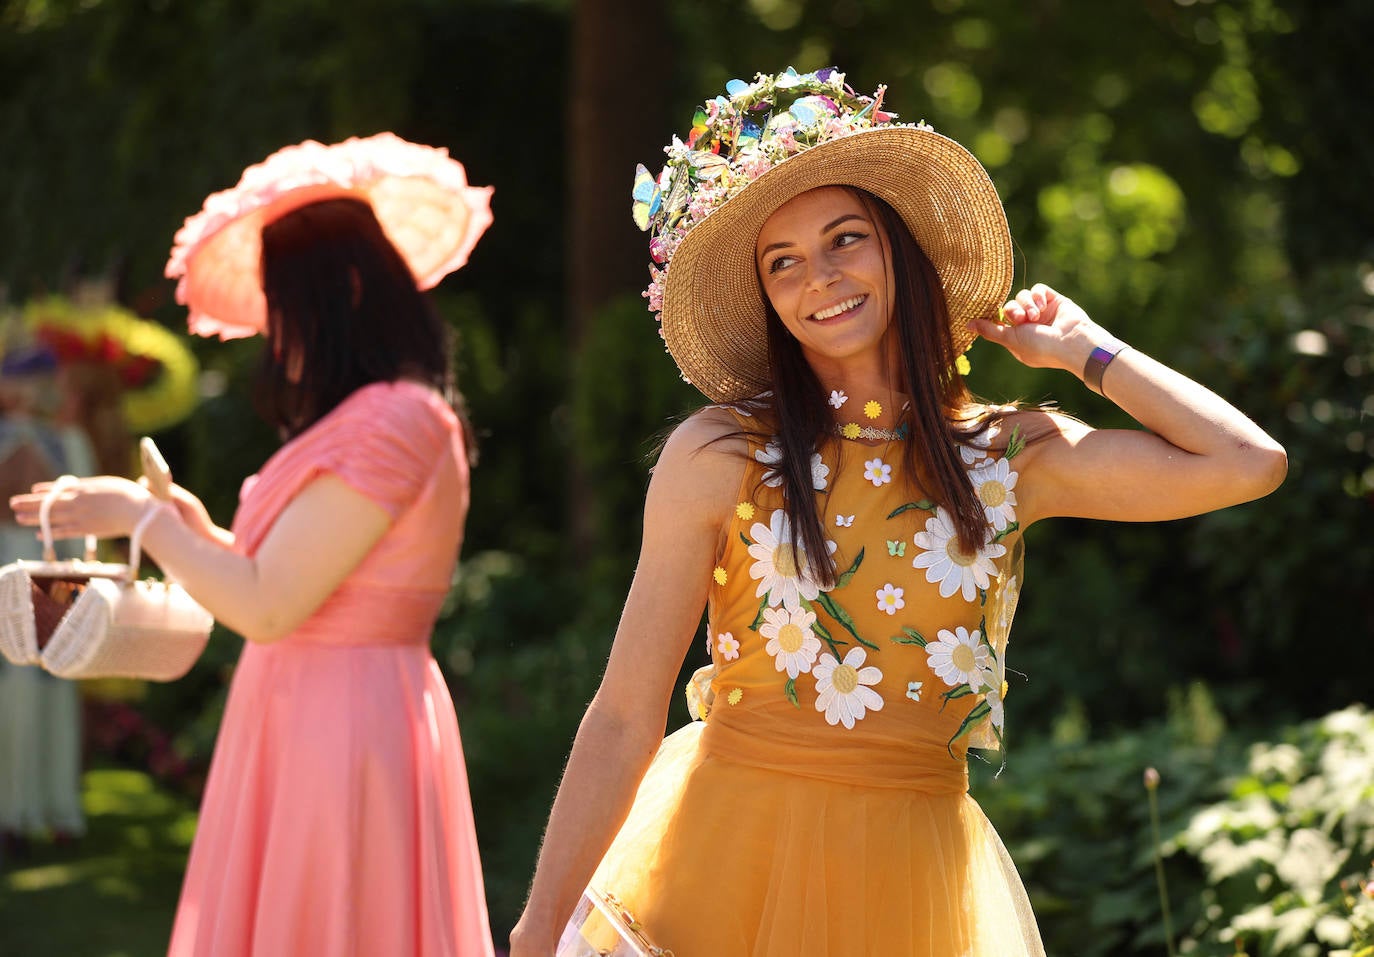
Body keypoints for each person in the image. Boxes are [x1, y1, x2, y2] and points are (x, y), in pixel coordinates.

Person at [509, 68, 1286, 957]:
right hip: (719, 865)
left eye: (847, 239)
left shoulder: (1002, 456)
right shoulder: (722, 453)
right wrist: (537, 933)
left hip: (914, 893)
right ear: (766, 296)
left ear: (899, 248)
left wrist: (1083, 351)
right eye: (784, 261)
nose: (821, 278)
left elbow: (1249, 463)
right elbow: (621, 714)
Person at [11, 133, 497, 957]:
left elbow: (269, 605)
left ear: (341, 290)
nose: (275, 327)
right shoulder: (389, 412)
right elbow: (280, 580)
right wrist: (191, 527)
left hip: (339, 722)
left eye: (284, 299)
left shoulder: (395, 418)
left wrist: (142, 518)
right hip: (319, 709)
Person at [0, 340, 93, 850]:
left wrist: (77, 583)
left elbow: (82, 518)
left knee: (53, 680)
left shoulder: (67, 441)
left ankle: (56, 808)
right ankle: (12, 813)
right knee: (11, 684)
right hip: (7, 563)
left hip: (54, 568)